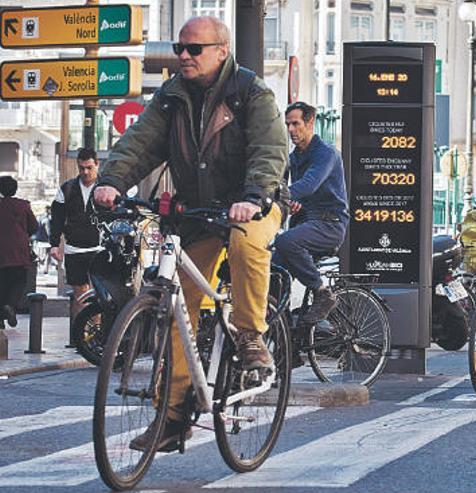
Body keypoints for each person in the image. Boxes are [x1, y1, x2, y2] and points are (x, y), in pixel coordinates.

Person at [93, 16, 288, 452]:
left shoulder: (251, 93)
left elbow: (269, 150)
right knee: (178, 302)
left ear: (222, 50)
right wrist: (111, 181)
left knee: (246, 240)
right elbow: (139, 142)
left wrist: (254, 195)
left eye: (194, 49)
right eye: (181, 47)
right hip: (198, 214)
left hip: (251, 205)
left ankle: (250, 334)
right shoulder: (171, 96)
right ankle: (173, 413)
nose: (184, 55)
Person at [272, 101, 349, 323]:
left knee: (286, 242)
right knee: (272, 280)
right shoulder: (293, 157)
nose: (290, 130)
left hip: (330, 224)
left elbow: (308, 185)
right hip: (306, 225)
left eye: (296, 123)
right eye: (287, 124)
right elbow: (283, 187)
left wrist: (279, 196)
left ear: (310, 122)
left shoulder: (326, 153)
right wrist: (289, 202)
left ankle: (322, 292)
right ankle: (289, 345)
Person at [49, 147, 102, 320]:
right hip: (74, 249)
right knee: (80, 296)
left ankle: (97, 338)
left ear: (97, 165)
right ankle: (81, 338)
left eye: (89, 167)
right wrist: (54, 245)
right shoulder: (67, 188)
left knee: (101, 296)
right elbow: (56, 218)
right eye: (81, 168)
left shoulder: (105, 188)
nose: (85, 172)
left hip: (100, 249)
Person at [0, 176, 38, 329]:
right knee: (19, 280)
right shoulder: (23, 206)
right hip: (19, 251)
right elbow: (34, 227)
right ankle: (10, 305)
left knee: (1, 284)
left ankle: (1, 321)